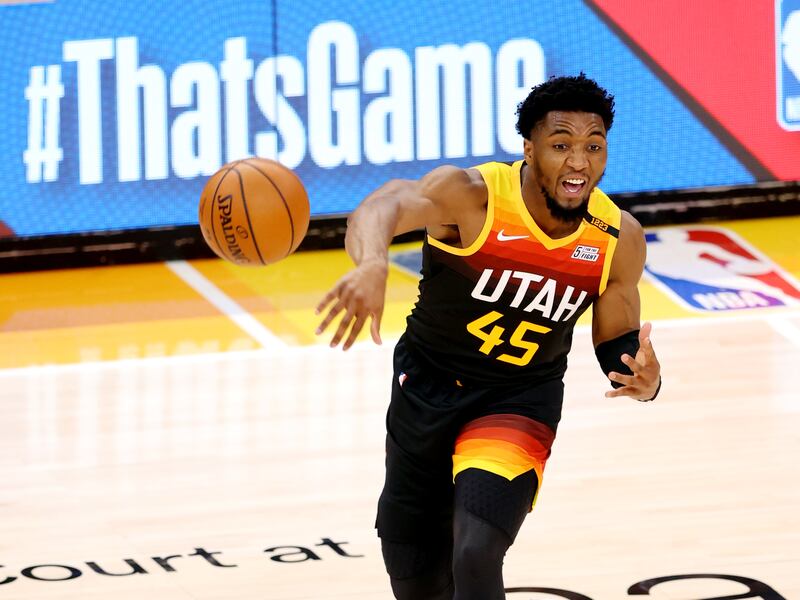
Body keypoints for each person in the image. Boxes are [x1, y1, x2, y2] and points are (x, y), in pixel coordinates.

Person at [316, 73, 662, 600]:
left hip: (518, 400)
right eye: (561, 144)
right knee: (415, 569)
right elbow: (383, 204)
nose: (579, 161)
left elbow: (616, 340)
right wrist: (372, 263)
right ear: (529, 149)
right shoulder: (472, 198)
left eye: (594, 146)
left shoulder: (618, 237)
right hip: (426, 388)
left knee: (476, 550)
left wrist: (643, 377)